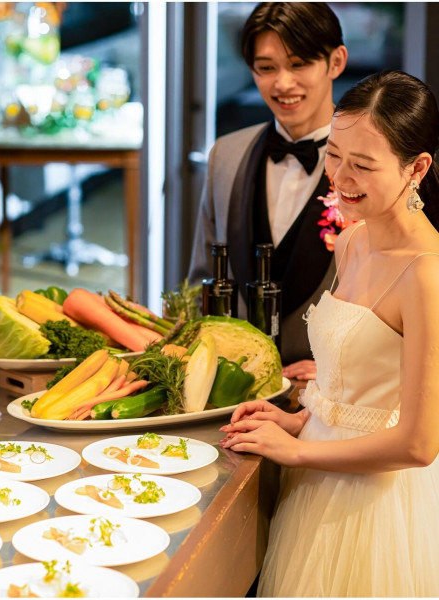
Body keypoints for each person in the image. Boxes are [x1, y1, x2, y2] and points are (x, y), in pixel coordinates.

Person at [220, 70, 439, 596]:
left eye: (363, 164)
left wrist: (297, 451)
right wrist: (300, 421)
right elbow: (354, 386)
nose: (339, 177)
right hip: (316, 484)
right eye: (334, 155)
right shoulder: (351, 242)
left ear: (417, 168)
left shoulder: (427, 274)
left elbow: (418, 444)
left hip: (377, 505)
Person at [188, 2, 348, 380]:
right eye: (266, 68)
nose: (283, 84)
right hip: (235, 384)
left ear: (336, 62)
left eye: (299, 64)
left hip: (333, 389)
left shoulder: (373, 162)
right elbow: (200, 280)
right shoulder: (226, 155)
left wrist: (349, 368)